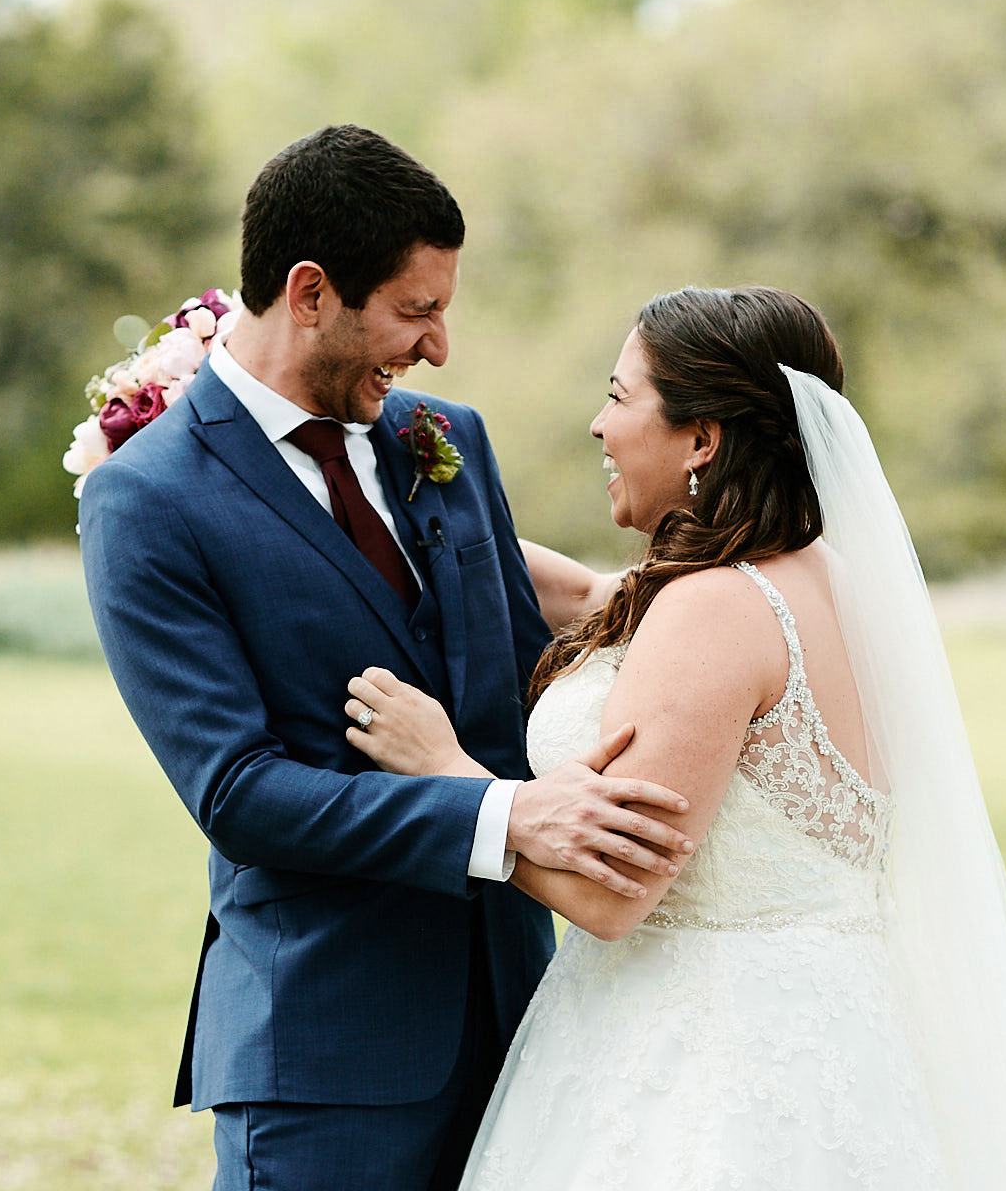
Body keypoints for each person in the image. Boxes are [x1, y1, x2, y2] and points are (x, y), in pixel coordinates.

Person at [348, 286, 1006, 1189]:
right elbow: (593, 599)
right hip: (835, 1041)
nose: (597, 424)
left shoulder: (712, 608)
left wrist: (447, 770)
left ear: (702, 439)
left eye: (620, 399)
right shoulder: (821, 577)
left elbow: (611, 897)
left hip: (701, 1058)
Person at [78, 124, 696, 1191]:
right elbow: (237, 790)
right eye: (417, 312)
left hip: (527, 1023)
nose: (440, 346)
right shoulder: (149, 500)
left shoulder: (443, 439)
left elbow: (520, 652)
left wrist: (717, 628)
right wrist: (502, 814)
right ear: (310, 292)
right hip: (325, 1051)